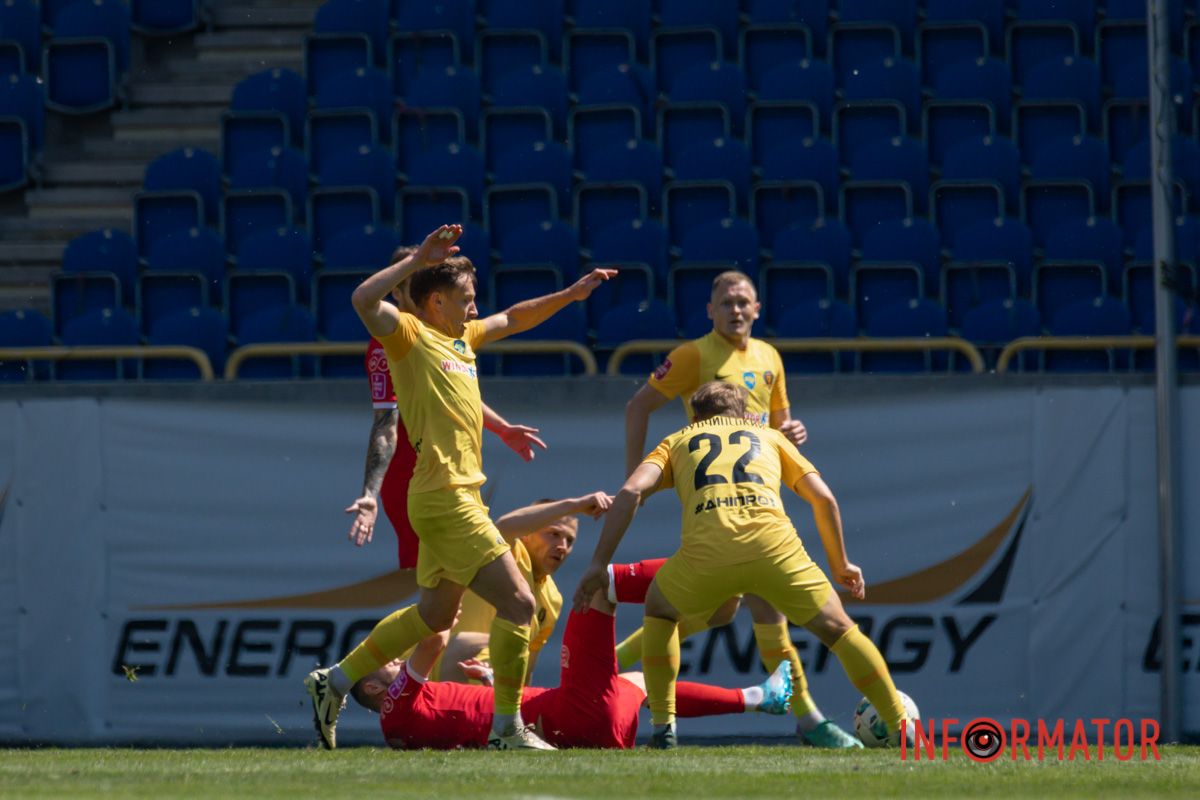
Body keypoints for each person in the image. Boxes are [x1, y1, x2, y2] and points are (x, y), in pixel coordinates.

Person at [305, 224, 615, 751]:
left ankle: (332, 681)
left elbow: (515, 317)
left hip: (455, 497)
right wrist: (416, 260)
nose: (475, 310)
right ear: (434, 301)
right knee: (521, 605)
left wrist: (570, 295)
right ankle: (507, 729)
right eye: (466, 300)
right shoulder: (406, 335)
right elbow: (362, 298)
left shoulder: (461, 338)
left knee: (434, 619)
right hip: (445, 498)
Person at [575, 381, 911, 749]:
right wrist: (841, 563)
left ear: (694, 416)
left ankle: (663, 728)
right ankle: (901, 725)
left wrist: (598, 563)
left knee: (660, 610)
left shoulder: (677, 440)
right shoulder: (767, 435)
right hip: (775, 549)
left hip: (707, 555)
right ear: (744, 412)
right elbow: (824, 499)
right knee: (840, 630)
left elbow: (630, 493)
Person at [621, 270, 856, 748]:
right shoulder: (693, 356)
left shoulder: (770, 356)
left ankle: (617, 665)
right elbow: (637, 407)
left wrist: (792, 433)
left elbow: (778, 424)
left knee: (723, 610)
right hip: (715, 502)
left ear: (758, 307)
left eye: (743, 301)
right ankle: (809, 718)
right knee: (756, 607)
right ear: (709, 310)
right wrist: (636, 480)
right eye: (725, 301)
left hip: (760, 498)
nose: (735, 309)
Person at [349, 587, 795, 750]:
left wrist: (488, 684)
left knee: (638, 681)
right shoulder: (395, 700)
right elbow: (434, 636)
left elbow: (461, 721)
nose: (393, 659)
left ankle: (759, 698)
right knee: (602, 586)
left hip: (589, 729)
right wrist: (439, 599)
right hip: (572, 714)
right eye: (384, 662)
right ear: (372, 687)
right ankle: (719, 581)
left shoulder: (398, 727)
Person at [344, 246, 548, 603]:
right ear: (398, 290)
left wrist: (500, 427)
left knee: (443, 605)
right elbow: (386, 422)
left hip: (454, 479)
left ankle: (398, 662)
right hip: (416, 476)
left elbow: (454, 394)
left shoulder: (449, 333)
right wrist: (369, 494)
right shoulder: (390, 343)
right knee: (502, 598)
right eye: (413, 278)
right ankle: (406, 660)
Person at [437, 494, 610, 682]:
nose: (562, 546)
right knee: (507, 645)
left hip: (481, 694)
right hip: (438, 669)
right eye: (554, 534)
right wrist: (575, 505)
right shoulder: (503, 555)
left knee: (516, 654)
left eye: (570, 541)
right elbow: (504, 527)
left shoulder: (553, 600)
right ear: (527, 534)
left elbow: (526, 668)